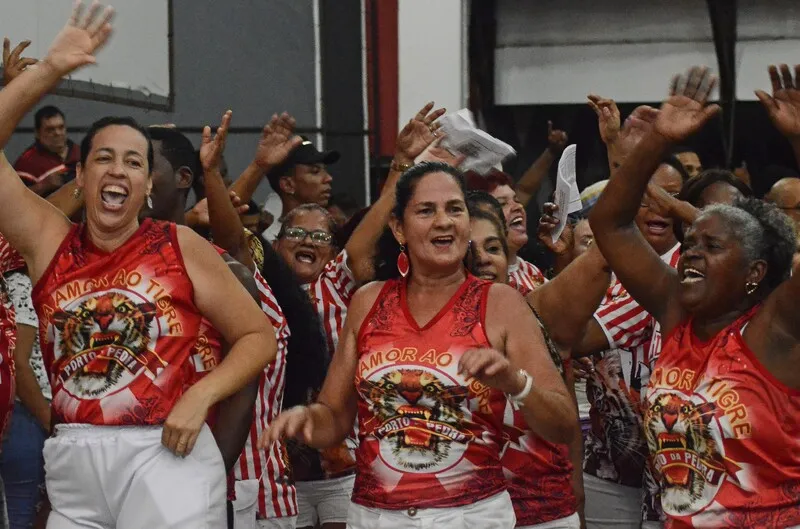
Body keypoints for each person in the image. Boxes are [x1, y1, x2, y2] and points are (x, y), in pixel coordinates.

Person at [0, 5, 276, 527]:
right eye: (104, 158)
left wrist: (201, 395)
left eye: (134, 161)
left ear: (149, 186)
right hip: (73, 460)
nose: (119, 169)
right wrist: (50, 69)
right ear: (79, 178)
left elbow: (257, 337)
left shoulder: (178, 245)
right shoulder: (49, 241)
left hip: (165, 454)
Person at [262, 162, 576, 528]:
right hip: (374, 517)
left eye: (454, 209)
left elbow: (563, 424)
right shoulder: (368, 301)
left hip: (470, 517)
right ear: (399, 228)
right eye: (427, 210)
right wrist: (307, 418)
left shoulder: (501, 303)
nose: (444, 221)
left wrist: (515, 382)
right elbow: (334, 417)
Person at [590, 65, 800, 527]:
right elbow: (610, 224)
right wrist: (656, 142)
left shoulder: (777, 326)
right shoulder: (675, 312)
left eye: (712, 247)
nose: (691, 255)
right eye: (689, 245)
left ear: (755, 272)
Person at [468, 205, 612, 529]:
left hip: (543, 514)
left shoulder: (535, 314)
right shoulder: (426, 334)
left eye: (493, 248)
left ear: (510, 259)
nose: (483, 259)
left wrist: (577, 495)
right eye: (469, 249)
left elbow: (566, 416)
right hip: (463, 515)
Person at [262, 136, 339, 242]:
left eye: (324, 170)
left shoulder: (335, 233)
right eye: (315, 171)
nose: (329, 178)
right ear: (288, 185)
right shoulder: (266, 241)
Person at [13, 105, 80, 196]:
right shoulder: (27, 163)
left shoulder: (80, 152)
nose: (57, 133)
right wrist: (43, 186)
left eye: (61, 127)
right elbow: (13, 198)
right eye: (50, 129)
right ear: (37, 133)